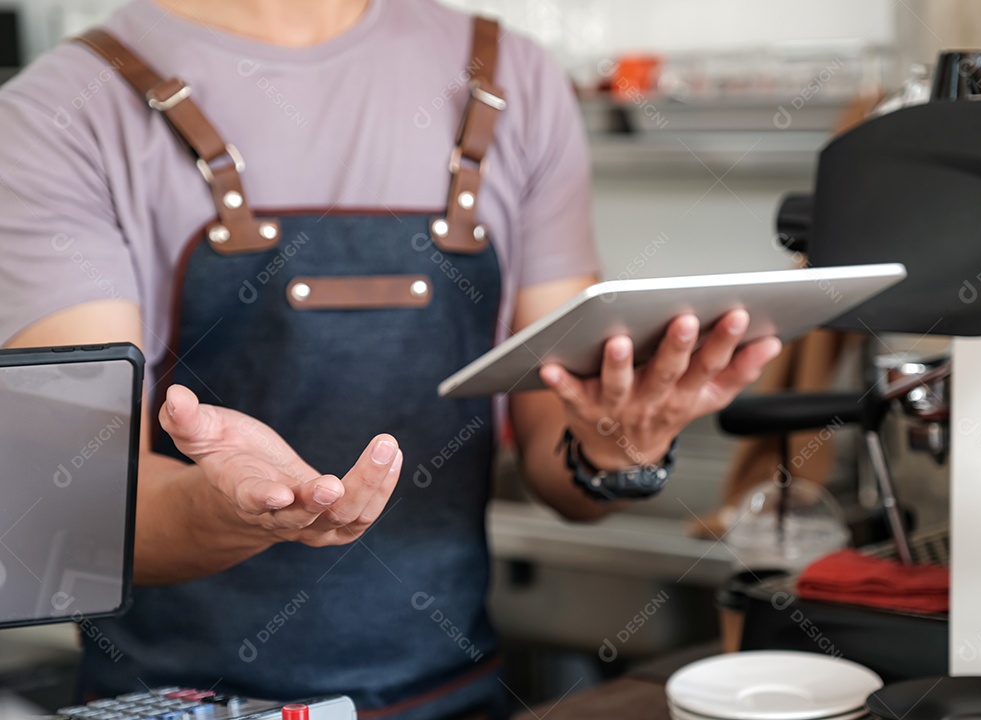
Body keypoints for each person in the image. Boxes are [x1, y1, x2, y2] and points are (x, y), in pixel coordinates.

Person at [0, 0, 781, 717]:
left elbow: (562, 460)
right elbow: (74, 507)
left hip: (453, 694)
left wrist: (624, 443)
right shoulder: (60, 112)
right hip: (178, 704)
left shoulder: (514, 78)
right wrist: (231, 509)